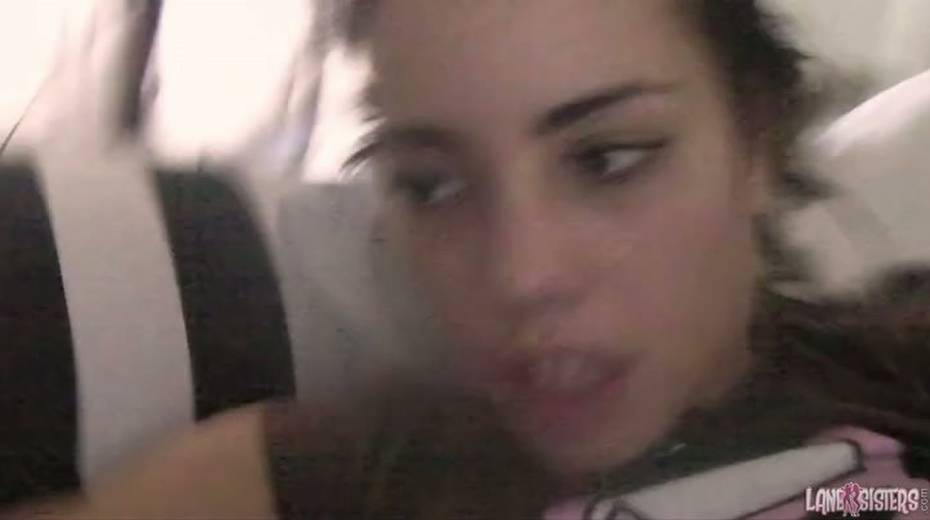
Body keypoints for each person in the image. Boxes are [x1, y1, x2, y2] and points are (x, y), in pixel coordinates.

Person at [4, 1, 929, 519]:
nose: (519, 276)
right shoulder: (377, 468)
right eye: (432, 185)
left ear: (755, 144)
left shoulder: (899, 367)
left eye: (610, 160)